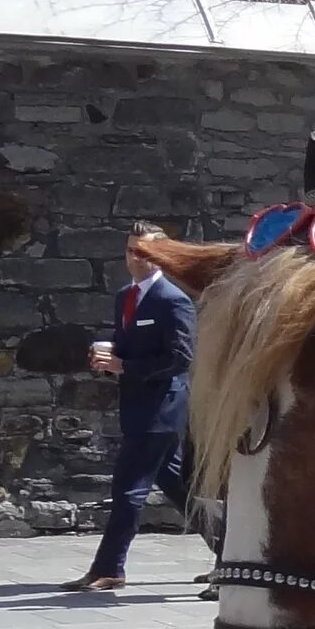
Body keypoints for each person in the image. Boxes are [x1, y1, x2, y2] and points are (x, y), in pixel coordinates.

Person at [64, 228, 199, 592]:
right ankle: (229, 556)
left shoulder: (173, 301)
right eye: (130, 251)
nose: (134, 258)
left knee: (129, 489)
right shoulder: (126, 296)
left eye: (143, 252)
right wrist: (109, 358)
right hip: (137, 405)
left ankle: (109, 568)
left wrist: (126, 367)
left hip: (161, 408)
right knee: (178, 487)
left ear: (162, 256)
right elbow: (129, 349)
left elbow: (180, 357)